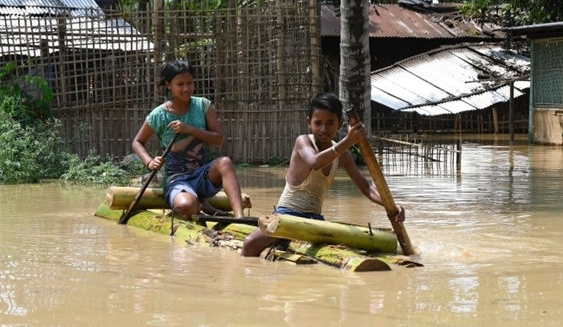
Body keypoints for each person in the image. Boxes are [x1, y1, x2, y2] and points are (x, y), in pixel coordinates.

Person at [242, 92, 405, 257]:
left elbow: (366, 187)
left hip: (315, 220)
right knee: (249, 244)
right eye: (318, 123)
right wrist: (349, 141)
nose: (324, 129)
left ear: (340, 124)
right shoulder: (303, 141)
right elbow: (314, 161)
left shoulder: (343, 155)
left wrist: (391, 206)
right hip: (287, 215)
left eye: (330, 123)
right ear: (309, 122)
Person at [131, 59, 245, 219]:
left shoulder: (202, 106)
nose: (186, 88)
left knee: (225, 162)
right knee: (186, 206)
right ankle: (200, 204)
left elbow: (218, 139)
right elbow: (137, 142)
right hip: (176, 179)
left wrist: (189, 129)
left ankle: (239, 217)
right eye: (180, 84)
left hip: (203, 175)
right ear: (168, 85)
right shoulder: (159, 115)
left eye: (190, 83)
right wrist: (149, 161)